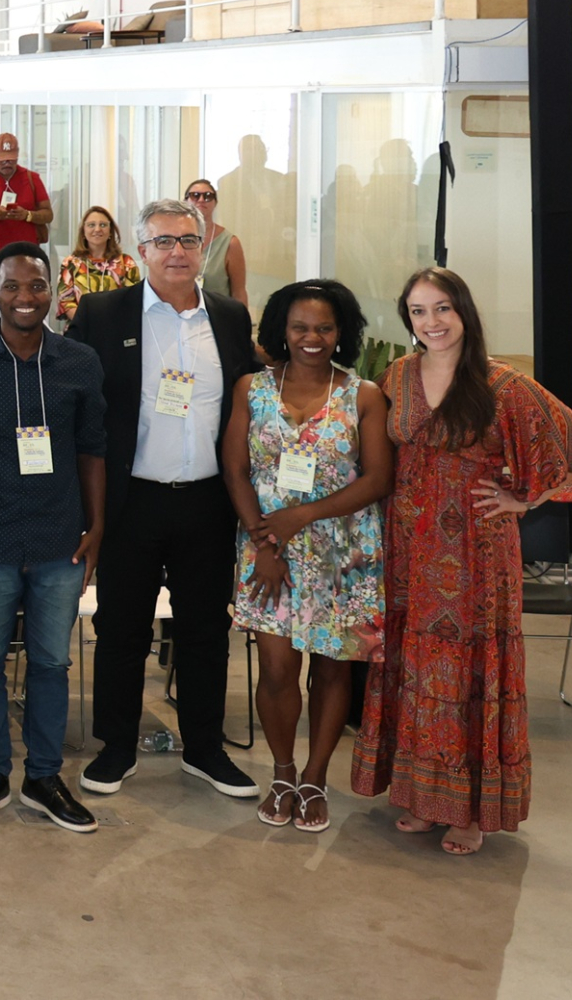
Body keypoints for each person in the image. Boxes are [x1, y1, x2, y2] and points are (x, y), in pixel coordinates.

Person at [353, 268, 572, 854]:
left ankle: (469, 811)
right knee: (416, 667)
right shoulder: (397, 375)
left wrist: (525, 499)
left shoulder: (504, 385)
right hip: (409, 551)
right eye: (418, 311)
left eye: (442, 308)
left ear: (464, 312)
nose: (432, 322)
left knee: (471, 671)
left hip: (476, 554)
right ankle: (423, 797)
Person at [66, 199, 265, 802]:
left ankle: (205, 750)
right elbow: (76, 404)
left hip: (208, 502)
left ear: (203, 248)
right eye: (164, 242)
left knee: (205, 631)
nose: (177, 251)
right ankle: (116, 748)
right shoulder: (104, 313)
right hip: (132, 502)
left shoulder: (229, 316)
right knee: (121, 629)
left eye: (188, 240)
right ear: (141, 252)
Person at [0, 244, 107, 832]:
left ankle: (43, 777)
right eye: (11, 287)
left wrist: (97, 527)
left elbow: (92, 449)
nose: (24, 298)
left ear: (52, 290)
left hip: (61, 539)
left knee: (52, 663)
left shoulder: (79, 360)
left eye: (36, 286)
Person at [226, 279, 393, 834]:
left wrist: (302, 516)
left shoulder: (363, 394)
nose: (311, 337)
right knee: (276, 669)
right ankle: (282, 773)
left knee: (331, 669)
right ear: (282, 330)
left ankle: (315, 777)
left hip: (343, 554)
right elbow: (235, 469)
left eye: (324, 327)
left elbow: (377, 479)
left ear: (341, 332)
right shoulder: (252, 388)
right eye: (300, 327)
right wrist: (263, 543)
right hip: (266, 550)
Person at [0, 133, 52, 260]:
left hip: (27, 250)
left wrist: (27, 215)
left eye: (11, 160)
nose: (7, 164)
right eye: (3, 160)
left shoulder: (32, 178)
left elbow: (48, 214)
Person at [56, 205, 141, 324]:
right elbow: (65, 302)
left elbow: (134, 300)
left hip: (117, 328)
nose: (97, 229)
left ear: (110, 231)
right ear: (83, 231)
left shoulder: (126, 262)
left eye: (103, 225)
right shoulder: (70, 263)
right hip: (80, 328)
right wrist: (89, 325)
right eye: (91, 225)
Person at [184, 178, 250, 306]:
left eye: (208, 196)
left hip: (218, 314)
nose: (201, 200)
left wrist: (242, 318)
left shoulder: (230, 243)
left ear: (215, 203)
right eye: (195, 195)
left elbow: (239, 292)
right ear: (185, 201)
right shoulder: (174, 239)